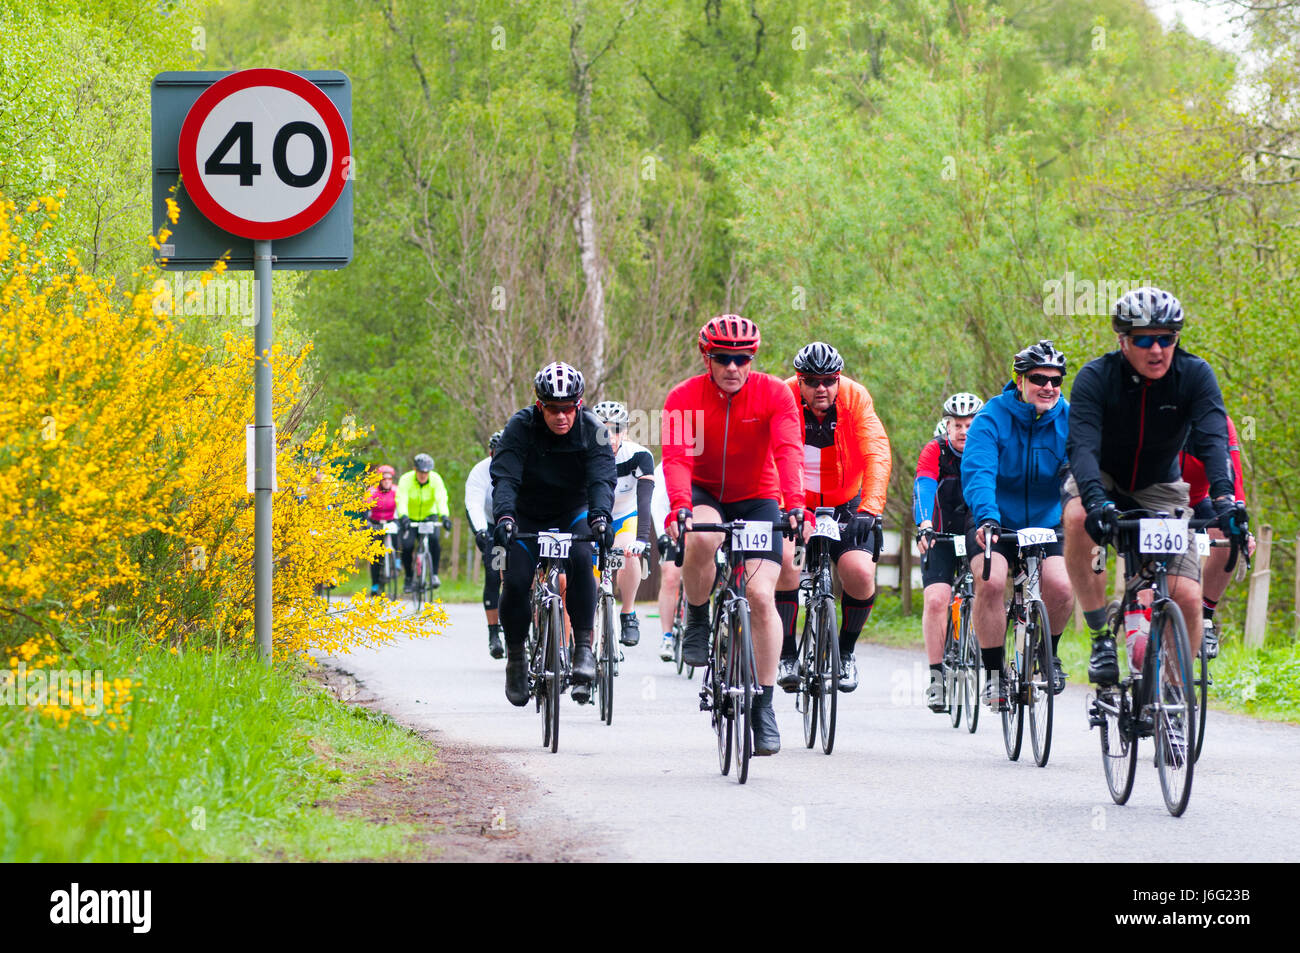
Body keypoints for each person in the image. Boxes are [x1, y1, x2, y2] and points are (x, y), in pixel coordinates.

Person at [1063, 288, 1245, 688]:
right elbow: (1082, 447)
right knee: (1076, 517)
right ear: (1122, 341)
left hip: (1160, 486)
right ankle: (1099, 637)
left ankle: (1176, 701)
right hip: (1103, 478)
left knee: (1187, 597)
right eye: (1145, 339)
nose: (1158, 349)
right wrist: (1094, 499)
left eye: (1167, 338)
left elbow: (1215, 441)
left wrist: (1226, 500)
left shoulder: (1194, 375)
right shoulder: (1096, 378)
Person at [663, 314, 805, 756]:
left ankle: (764, 706)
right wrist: (680, 507)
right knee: (702, 539)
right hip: (704, 492)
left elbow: (787, 449)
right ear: (707, 357)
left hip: (760, 496)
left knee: (762, 597)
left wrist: (796, 504)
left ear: (753, 359)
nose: (732, 368)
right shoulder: (682, 397)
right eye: (723, 358)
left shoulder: (775, 394)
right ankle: (700, 618)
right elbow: (677, 458)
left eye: (742, 359)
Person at [491, 362, 616, 707]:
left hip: (572, 512)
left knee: (579, 558)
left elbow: (602, 478)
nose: (561, 417)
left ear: (580, 404)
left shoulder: (593, 429)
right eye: (552, 409)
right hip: (527, 514)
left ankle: (584, 649)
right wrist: (504, 516)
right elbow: (505, 477)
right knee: (515, 581)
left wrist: (601, 519)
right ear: (539, 405)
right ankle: (516, 657)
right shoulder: (519, 427)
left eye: (568, 409)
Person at [774, 342, 891, 695]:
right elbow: (768, 455)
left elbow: (877, 452)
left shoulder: (856, 398)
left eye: (828, 380)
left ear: (838, 379)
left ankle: (846, 651)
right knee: (786, 564)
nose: (820, 388)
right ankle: (786, 654)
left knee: (859, 571)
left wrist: (870, 508)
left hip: (848, 501)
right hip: (794, 502)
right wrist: (782, 506)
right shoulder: (783, 397)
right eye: (811, 381)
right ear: (799, 380)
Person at [962, 340, 1074, 710]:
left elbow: (1083, 470)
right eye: (1039, 378)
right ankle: (994, 675)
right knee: (991, 583)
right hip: (994, 518)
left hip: (1048, 522)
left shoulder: (1070, 419)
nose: (1048, 387)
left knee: (1060, 586)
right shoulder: (992, 418)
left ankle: (1050, 656)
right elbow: (979, 471)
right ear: (1020, 380)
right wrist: (987, 516)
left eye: (1056, 380)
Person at [913, 392, 983, 711]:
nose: (964, 431)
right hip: (939, 533)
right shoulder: (935, 450)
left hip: (976, 531)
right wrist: (924, 522)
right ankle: (937, 676)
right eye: (957, 424)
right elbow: (924, 486)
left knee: (988, 590)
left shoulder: (987, 451)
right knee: (937, 599)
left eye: (970, 424)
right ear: (947, 425)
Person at [1180, 415, 1254, 658]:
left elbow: (1234, 475)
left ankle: (1205, 616)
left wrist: (1239, 522)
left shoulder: (1220, 422)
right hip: (1157, 498)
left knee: (1229, 535)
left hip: (1198, 499)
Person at [590, 401, 656, 646]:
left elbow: (645, 500)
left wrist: (642, 539)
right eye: (602, 430)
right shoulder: (583, 455)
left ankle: (628, 613)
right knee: (586, 569)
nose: (610, 436)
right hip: (593, 518)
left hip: (625, 517)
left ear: (625, 431)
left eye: (616, 429)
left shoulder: (639, 455)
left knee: (629, 553)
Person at [466, 430, 505, 658]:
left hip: (520, 522)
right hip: (492, 525)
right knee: (494, 573)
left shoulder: (524, 464)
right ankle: (494, 634)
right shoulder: (481, 471)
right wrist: (481, 531)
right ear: (490, 453)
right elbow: (473, 503)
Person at [395, 453, 452, 592]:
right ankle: (408, 577)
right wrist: (403, 516)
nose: (423, 475)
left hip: (429, 515)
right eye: (421, 472)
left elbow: (441, 498)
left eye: (426, 472)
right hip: (409, 517)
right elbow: (401, 498)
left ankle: (434, 575)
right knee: (407, 546)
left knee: (434, 541)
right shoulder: (406, 479)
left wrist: (444, 516)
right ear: (415, 469)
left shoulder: (436, 479)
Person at [650, 461, 683, 662]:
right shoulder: (667, 465)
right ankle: (667, 636)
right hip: (673, 527)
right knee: (671, 577)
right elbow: (657, 501)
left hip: (703, 526)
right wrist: (663, 534)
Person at [366, 465, 398, 596]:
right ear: (379, 480)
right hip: (376, 523)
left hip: (390, 521)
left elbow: (402, 505)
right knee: (375, 556)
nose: (387, 481)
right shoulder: (372, 491)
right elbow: (365, 508)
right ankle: (375, 584)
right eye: (384, 479)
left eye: (389, 479)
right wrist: (366, 523)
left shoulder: (396, 490)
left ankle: (397, 560)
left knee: (397, 533)